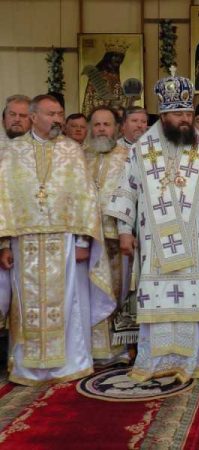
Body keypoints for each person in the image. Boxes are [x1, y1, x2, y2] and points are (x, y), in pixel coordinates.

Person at [105, 71, 199, 382]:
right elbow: (127, 190)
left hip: (195, 243)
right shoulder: (142, 149)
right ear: (164, 115)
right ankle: (154, 361)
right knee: (156, 300)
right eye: (179, 114)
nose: (185, 120)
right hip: (154, 245)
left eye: (189, 113)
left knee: (193, 299)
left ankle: (192, 360)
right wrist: (125, 231)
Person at [0, 94, 115, 385]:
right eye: (50, 114)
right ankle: (26, 367)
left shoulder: (71, 151)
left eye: (59, 114)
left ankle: (70, 363)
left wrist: (83, 242)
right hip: (24, 242)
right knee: (24, 304)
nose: (57, 119)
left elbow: (86, 197)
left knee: (69, 303)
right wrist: (3, 244)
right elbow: (3, 199)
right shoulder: (12, 152)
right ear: (33, 117)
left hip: (64, 241)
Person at [84, 106, 131, 361]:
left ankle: (117, 347)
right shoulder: (80, 157)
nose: (102, 129)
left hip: (116, 235)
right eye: (97, 124)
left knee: (117, 290)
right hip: (87, 237)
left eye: (107, 124)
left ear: (117, 128)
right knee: (88, 291)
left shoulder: (128, 157)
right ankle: (90, 347)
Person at [81, 40, 129, 116]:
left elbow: (119, 97)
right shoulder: (99, 76)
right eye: (116, 56)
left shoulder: (115, 76)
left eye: (121, 57)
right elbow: (93, 100)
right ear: (108, 57)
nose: (118, 59)